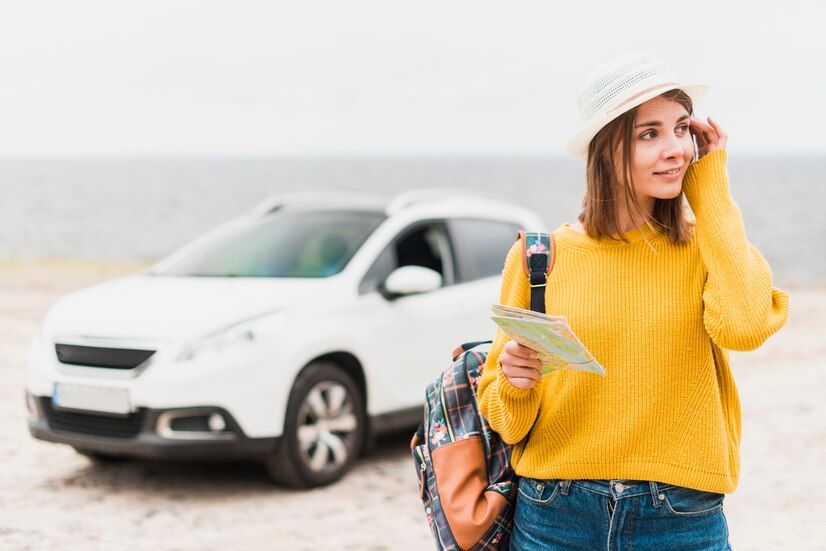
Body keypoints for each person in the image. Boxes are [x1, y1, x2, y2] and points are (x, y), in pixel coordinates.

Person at [476, 52, 790, 550]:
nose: (676, 150)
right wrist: (515, 383)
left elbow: (746, 327)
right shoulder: (540, 257)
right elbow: (506, 420)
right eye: (650, 134)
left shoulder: (708, 247)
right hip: (556, 515)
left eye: (682, 128)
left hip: (681, 517)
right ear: (606, 150)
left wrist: (710, 189)